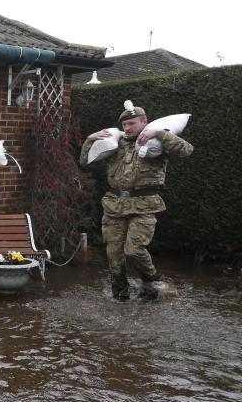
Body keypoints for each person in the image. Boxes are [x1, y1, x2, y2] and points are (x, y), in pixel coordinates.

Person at [79, 102, 193, 301]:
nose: (127, 128)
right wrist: (89, 140)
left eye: (131, 123)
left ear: (144, 122)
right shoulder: (117, 143)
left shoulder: (156, 143)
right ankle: (120, 296)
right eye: (124, 125)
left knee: (134, 250)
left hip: (144, 205)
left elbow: (186, 150)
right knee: (114, 256)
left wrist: (160, 133)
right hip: (115, 205)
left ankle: (152, 281)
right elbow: (84, 161)